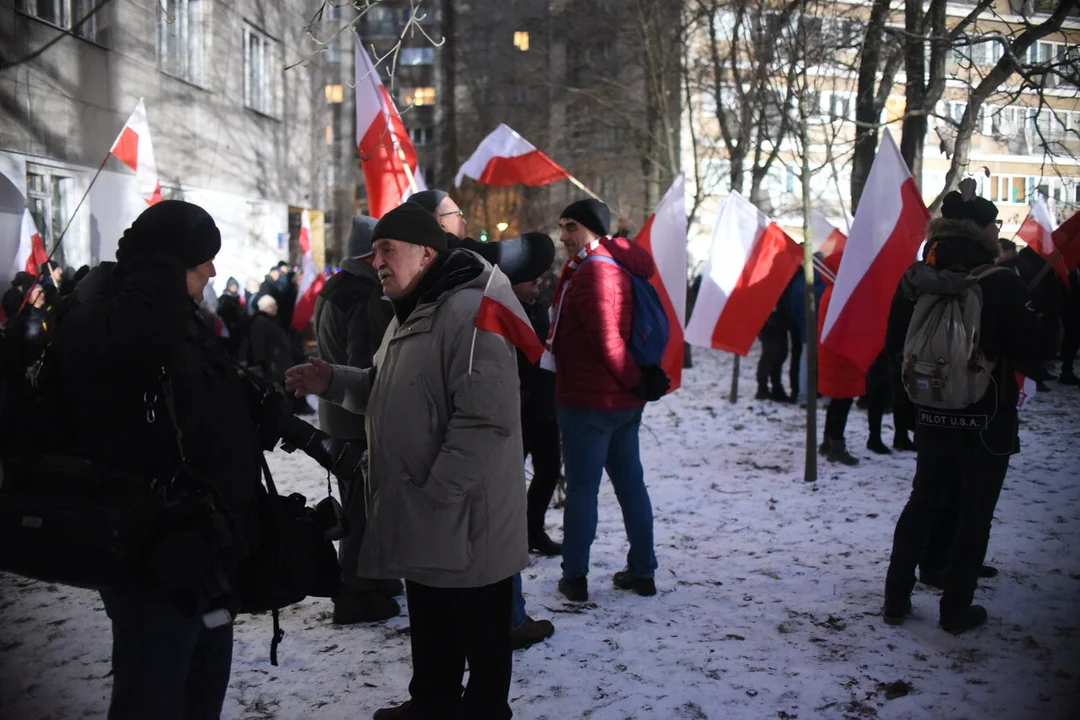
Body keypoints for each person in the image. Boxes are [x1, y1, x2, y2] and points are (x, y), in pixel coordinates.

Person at [286, 202, 528, 720]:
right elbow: (388, 388)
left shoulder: (471, 313)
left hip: (467, 514)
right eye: (375, 251)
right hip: (427, 507)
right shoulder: (414, 310)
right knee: (432, 619)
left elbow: (487, 422)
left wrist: (434, 495)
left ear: (426, 254)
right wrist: (333, 380)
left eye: (386, 250)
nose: (376, 261)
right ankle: (432, 702)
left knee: (481, 633)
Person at [55, 201, 264, 718]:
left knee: (201, 689)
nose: (212, 271)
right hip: (154, 555)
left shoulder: (173, 323)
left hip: (203, 548)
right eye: (201, 259)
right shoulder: (118, 322)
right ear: (168, 265)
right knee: (153, 697)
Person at [882, 193, 1050, 634]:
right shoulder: (1001, 282)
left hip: (929, 410)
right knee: (976, 513)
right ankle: (956, 609)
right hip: (987, 415)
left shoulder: (916, 279)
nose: (998, 231)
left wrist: (906, 412)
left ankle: (895, 598)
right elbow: (1035, 349)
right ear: (983, 232)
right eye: (995, 225)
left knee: (923, 502)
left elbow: (895, 347)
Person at [410, 188, 556, 651]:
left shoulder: (423, 275)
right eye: (456, 214)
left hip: (444, 423)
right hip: (461, 424)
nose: (464, 219)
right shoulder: (456, 270)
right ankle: (503, 624)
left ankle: (481, 624)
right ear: (438, 224)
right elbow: (539, 248)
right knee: (487, 527)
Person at [546, 199, 667, 603]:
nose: (563, 236)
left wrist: (635, 381)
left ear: (594, 229)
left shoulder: (594, 272)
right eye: (562, 227)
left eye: (571, 227)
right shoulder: (613, 265)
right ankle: (643, 571)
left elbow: (606, 342)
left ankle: (575, 578)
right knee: (631, 485)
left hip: (591, 403)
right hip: (620, 403)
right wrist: (636, 386)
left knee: (583, 490)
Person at [312, 214, 401, 624]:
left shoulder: (336, 287)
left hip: (337, 415)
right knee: (362, 509)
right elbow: (363, 364)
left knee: (359, 505)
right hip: (356, 418)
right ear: (370, 254)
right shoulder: (364, 293)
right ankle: (355, 593)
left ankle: (373, 579)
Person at [512, 277, 562, 557]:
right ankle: (509, 536)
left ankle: (533, 530)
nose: (537, 279)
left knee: (549, 470)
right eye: (528, 275)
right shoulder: (504, 308)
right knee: (510, 478)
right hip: (517, 410)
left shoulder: (540, 307)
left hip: (545, 405)